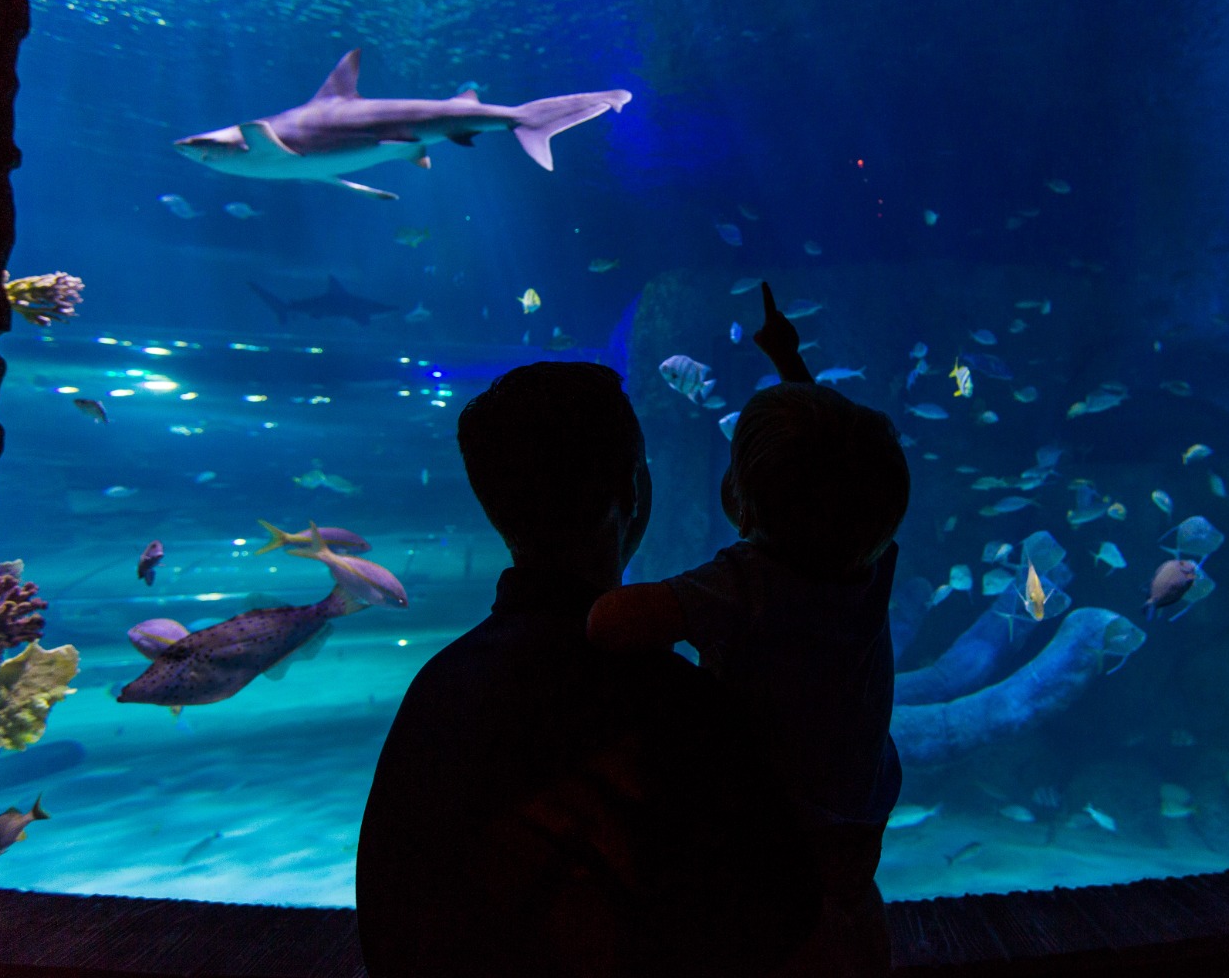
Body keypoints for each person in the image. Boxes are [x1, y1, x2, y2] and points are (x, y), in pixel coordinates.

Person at [357, 361, 820, 978]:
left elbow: (388, 920)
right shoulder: (681, 708)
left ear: (495, 508)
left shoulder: (437, 695)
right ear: (635, 492)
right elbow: (781, 921)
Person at [587, 285, 910, 977]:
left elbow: (611, 623)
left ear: (735, 498)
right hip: (853, 823)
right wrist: (791, 364)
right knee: (848, 929)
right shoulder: (872, 565)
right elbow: (841, 475)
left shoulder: (749, 581)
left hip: (767, 839)